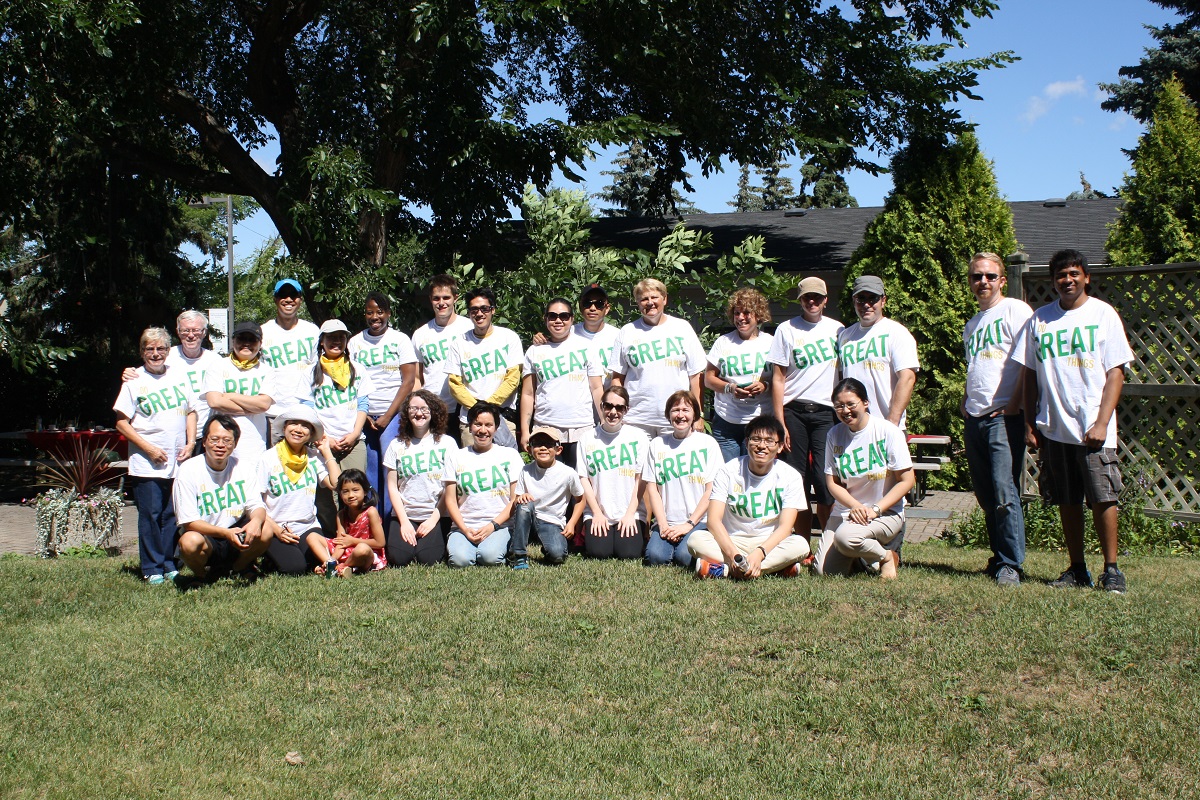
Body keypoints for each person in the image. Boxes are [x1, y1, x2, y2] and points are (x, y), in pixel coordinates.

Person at [1014, 249, 1134, 593]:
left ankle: (1111, 569)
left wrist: (1101, 421)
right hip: (1054, 428)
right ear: (1053, 281)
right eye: (1061, 275)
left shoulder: (1102, 314)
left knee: (1102, 497)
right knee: (1066, 499)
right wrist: (1030, 424)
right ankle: (1077, 568)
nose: (1067, 280)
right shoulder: (1040, 320)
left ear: (1086, 277)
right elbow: (1030, 375)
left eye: (1073, 274)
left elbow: (1116, 373)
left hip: (1093, 429)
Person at [962, 252, 1034, 587]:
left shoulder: (1015, 310)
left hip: (1003, 416)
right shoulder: (972, 324)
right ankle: (998, 556)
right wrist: (966, 400)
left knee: (1005, 491)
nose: (983, 282)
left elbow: (1027, 361)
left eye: (990, 276)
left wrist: (1016, 403)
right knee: (985, 493)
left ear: (1002, 280)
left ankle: (1012, 564)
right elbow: (978, 367)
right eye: (977, 277)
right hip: (975, 416)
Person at [113, 327, 198, 583]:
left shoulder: (180, 376)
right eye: (149, 349)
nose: (155, 353)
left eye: (160, 349)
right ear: (142, 352)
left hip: (177, 460)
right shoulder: (134, 381)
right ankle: (151, 568)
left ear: (167, 351)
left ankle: (169, 563)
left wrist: (191, 442)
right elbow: (121, 422)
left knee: (171, 514)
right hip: (146, 463)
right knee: (150, 515)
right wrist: (148, 448)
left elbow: (192, 411)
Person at [814, 378, 915, 580]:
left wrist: (875, 509)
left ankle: (885, 557)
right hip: (848, 512)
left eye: (851, 404)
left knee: (845, 538)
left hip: (884, 513)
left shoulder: (887, 431)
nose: (845, 410)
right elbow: (832, 482)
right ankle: (867, 559)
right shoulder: (835, 434)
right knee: (825, 572)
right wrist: (855, 506)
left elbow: (907, 480)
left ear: (865, 403)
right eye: (839, 406)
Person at [688, 415, 811, 578]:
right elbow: (713, 520)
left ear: (780, 446)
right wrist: (734, 555)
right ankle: (777, 568)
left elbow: (785, 527)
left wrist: (760, 553)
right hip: (732, 540)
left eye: (769, 441)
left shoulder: (790, 476)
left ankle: (724, 570)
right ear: (746, 443)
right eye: (756, 439)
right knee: (696, 540)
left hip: (769, 543)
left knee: (801, 545)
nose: (762, 446)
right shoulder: (727, 471)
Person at [768, 276, 844, 535]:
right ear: (800, 300)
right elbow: (778, 377)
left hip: (826, 413)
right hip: (794, 412)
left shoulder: (838, 330)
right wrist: (780, 422)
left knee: (825, 480)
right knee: (796, 480)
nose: (812, 302)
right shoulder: (786, 329)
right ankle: (801, 545)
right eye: (807, 297)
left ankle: (829, 541)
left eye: (817, 297)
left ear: (825, 300)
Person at [173, 414, 270, 581]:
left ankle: (237, 568)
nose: (220, 445)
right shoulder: (188, 470)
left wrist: (255, 522)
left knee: (266, 527)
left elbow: (257, 506)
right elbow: (188, 521)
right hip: (207, 535)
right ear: (204, 441)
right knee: (189, 542)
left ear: (235, 444)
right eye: (214, 439)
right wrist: (225, 533)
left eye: (227, 440)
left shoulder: (243, 467)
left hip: (237, 532)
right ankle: (203, 575)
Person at [349, 292, 418, 523]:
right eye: (370, 312)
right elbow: (351, 381)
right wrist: (364, 413)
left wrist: (389, 415)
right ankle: (371, 526)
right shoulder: (355, 342)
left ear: (388, 313)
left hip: (394, 415)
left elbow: (408, 381)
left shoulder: (400, 340)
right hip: (364, 416)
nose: (375, 317)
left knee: (391, 471)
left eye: (380, 312)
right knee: (369, 473)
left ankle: (391, 527)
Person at [610, 278, 706, 436]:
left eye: (654, 297)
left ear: (665, 299)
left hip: (676, 417)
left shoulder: (682, 328)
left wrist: (698, 414)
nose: (650, 303)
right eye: (644, 299)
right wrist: (618, 411)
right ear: (638, 303)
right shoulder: (627, 332)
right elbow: (617, 378)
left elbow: (696, 376)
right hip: (636, 420)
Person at [519, 297, 604, 466]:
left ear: (572, 319)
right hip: (545, 428)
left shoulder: (586, 347)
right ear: (545, 319)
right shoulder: (534, 351)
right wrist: (525, 431)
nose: (558, 320)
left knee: (581, 485)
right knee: (548, 484)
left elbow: (596, 389)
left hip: (582, 427)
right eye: (553, 316)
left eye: (564, 316)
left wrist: (604, 424)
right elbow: (528, 394)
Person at [256, 405, 341, 575]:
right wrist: (276, 530)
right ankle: (271, 558)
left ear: (311, 434)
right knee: (295, 568)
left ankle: (311, 563)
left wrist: (326, 452)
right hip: (279, 527)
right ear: (285, 427)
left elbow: (336, 484)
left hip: (308, 527)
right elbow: (256, 500)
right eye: (294, 424)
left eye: (305, 426)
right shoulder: (268, 458)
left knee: (320, 557)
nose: (298, 430)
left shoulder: (313, 457)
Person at [306, 318, 372, 535]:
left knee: (355, 494)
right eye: (331, 338)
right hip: (322, 442)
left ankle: (356, 538)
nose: (336, 342)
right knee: (325, 496)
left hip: (353, 442)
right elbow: (307, 409)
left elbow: (363, 404)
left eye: (340, 337)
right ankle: (331, 539)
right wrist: (325, 437)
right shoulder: (310, 372)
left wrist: (354, 434)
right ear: (322, 342)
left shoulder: (358, 369)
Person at [642, 391, 723, 569]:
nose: (680, 415)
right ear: (668, 415)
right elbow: (652, 488)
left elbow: (711, 490)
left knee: (684, 558)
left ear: (694, 414)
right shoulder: (657, 444)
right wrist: (662, 524)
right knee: (655, 558)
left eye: (686, 410)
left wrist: (689, 524)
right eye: (675, 410)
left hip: (699, 521)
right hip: (667, 520)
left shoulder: (707, 444)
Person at [443, 402, 523, 567]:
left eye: (488, 425)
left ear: (496, 427)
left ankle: (493, 545)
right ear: (470, 426)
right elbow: (450, 500)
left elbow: (515, 499)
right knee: (460, 561)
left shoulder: (510, 455)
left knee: (490, 558)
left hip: (500, 525)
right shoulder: (456, 456)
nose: (483, 430)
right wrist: (464, 529)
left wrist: (492, 526)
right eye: (478, 424)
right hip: (464, 526)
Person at [384, 390, 457, 566]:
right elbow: (392, 487)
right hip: (406, 514)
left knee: (429, 559)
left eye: (424, 409)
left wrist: (433, 520)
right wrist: (404, 522)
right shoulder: (396, 445)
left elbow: (450, 487)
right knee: (399, 558)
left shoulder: (447, 443)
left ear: (433, 412)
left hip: (436, 514)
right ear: (407, 412)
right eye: (413, 408)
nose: (419, 413)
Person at [577, 386, 651, 560]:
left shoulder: (638, 437)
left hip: (629, 511)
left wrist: (630, 514)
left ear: (626, 410)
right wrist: (596, 512)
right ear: (601, 406)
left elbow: (641, 480)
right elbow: (583, 478)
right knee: (599, 552)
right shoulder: (587, 438)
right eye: (608, 406)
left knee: (629, 553)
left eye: (619, 407)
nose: (613, 412)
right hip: (599, 511)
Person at [120, 310, 222, 436]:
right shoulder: (166, 355)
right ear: (178, 332)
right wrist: (130, 372)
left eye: (196, 330)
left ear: (204, 332)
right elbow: (145, 373)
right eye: (185, 330)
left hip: (205, 434)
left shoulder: (216, 361)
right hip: (172, 435)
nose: (191, 335)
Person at [838, 275, 919, 429]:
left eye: (873, 298)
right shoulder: (845, 336)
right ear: (854, 301)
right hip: (852, 428)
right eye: (861, 298)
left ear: (883, 300)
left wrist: (892, 423)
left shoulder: (896, 333)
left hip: (885, 425)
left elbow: (907, 378)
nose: (867, 304)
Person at [446, 287, 523, 447]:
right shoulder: (459, 343)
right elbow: (454, 384)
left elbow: (513, 378)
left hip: (503, 417)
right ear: (468, 313)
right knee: (473, 468)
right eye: (474, 309)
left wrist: (489, 406)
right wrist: (478, 409)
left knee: (507, 468)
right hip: (470, 420)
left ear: (493, 310)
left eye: (484, 309)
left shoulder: (509, 337)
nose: (479, 314)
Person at [704, 287, 774, 463]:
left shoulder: (771, 343)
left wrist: (765, 385)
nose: (741, 318)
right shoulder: (723, 342)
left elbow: (782, 379)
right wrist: (730, 388)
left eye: (746, 312)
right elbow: (709, 379)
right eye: (736, 313)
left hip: (760, 422)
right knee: (729, 474)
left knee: (757, 471)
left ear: (758, 314)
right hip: (727, 422)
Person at [508, 427, 585, 569]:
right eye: (537, 443)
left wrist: (572, 523)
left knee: (557, 556)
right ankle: (518, 555)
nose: (543, 448)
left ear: (558, 450)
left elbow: (580, 499)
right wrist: (521, 496)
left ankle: (548, 546)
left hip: (552, 521)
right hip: (528, 520)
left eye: (549, 444)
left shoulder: (568, 473)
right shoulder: (525, 470)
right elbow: (517, 499)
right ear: (530, 449)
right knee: (524, 505)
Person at [412, 274, 473, 444]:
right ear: (430, 299)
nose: (441, 303)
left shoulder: (468, 327)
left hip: (463, 408)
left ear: (455, 298)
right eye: (436, 298)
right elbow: (417, 377)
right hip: (432, 409)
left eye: (446, 297)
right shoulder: (420, 334)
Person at [202, 321, 277, 459]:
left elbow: (264, 404)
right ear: (233, 341)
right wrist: (253, 408)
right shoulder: (217, 366)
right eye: (242, 338)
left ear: (260, 344)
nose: (246, 343)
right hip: (221, 441)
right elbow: (214, 402)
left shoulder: (267, 371)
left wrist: (230, 396)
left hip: (253, 442)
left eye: (252, 339)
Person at [259, 278, 320, 420]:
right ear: (275, 299)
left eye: (293, 295)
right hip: (271, 413)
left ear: (300, 300)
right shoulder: (262, 332)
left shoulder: (312, 331)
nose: (288, 299)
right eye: (283, 295)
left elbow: (317, 371)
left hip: (304, 412)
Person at [308, 469, 387, 577]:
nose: (350, 495)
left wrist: (353, 541)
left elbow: (380, 542)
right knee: (312, 537)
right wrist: (333, 558)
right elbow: (341, 542)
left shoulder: (371, 512)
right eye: (345, 491)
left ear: (364, 491)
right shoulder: (341, 514)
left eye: (355, 490)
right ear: (340, 494)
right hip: (346, 550)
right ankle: (331, 565)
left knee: (362, 548)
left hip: (367, 552)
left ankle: (341, 567)